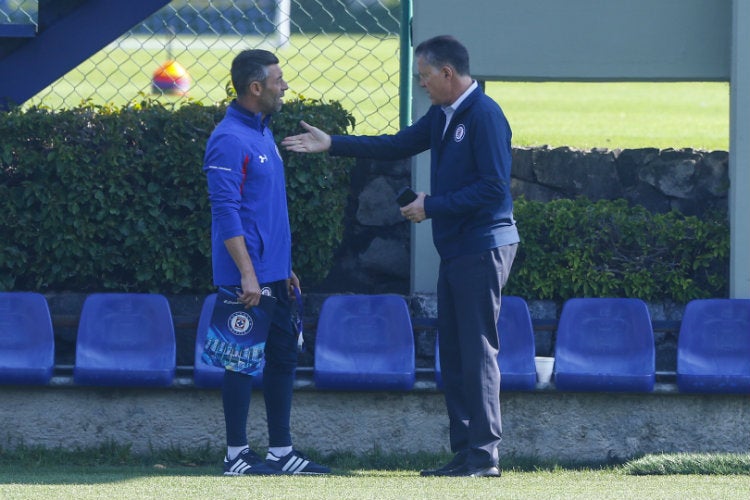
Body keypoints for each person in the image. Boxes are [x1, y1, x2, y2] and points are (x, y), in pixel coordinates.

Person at [282, 35, 519, 477]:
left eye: (424, 76)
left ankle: (485, 456)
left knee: (476, 348)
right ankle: (466, 453)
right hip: (459, 247)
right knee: (454, 347)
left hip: (484, 245)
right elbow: (394, 145)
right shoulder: (443, 114)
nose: (421, 84)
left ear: (448, 73)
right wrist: (333, 143)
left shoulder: (484, 115)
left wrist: (432, 206)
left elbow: (493, 188)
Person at [203, 49, 330, 476]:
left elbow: (268, 210)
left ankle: (281, 452)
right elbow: (226, 212)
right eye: (278, 79)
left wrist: (284, 266)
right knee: (239, 360)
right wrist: (247, 272)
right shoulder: (227, 138)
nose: (285, 86)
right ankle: (236, 455)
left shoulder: (264, 134)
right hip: (247, 278)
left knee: (282, 359)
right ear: (256, 87)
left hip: (275, 273)